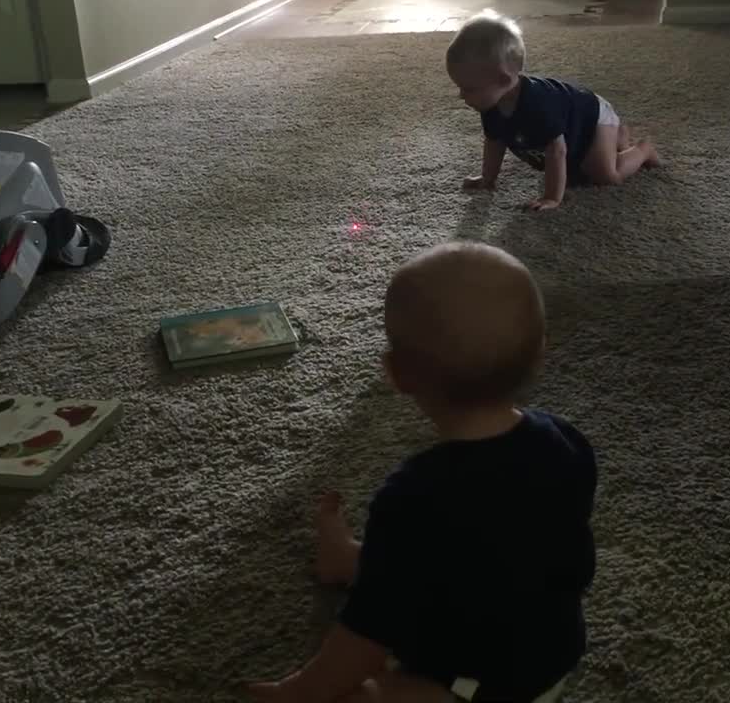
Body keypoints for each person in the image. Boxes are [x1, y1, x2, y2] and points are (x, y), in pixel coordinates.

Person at [247, 241, 598, 703]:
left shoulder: (414, 496)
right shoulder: (566, 441)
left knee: (367, 693)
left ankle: (357, 570)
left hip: (485, 686)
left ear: (396, 374)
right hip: (556, 651)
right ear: (541, 353)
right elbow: (516, 551)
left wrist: (301, 690)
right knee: (431, 557)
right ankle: (348, 559)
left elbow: (364, 640)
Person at [447, 10, 661, 212]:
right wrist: (487, 179)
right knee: (580, 165)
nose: (461, 95)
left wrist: (551, 197)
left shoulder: (538, 105)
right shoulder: (490, 103)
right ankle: (617, 137)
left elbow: (556, 151)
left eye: (468, 89)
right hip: (572, 125)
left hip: (592, 118)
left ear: (503, 80)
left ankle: (642, 149)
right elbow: (495, 142)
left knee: (605, 175)